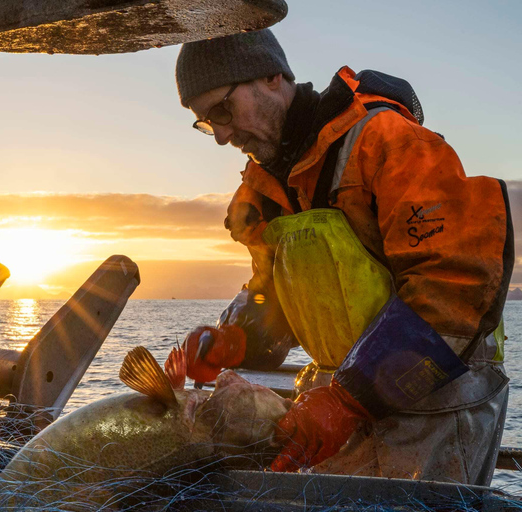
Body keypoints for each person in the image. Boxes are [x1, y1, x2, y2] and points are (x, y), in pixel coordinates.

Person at [174, 28, 512, 485]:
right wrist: (237, 340)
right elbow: (272, 296)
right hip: (336, 405)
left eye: (223, 110)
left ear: (273, 77)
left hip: (436, 406)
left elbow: (453, 285)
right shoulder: (262, 191)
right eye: (207, 123)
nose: (221, 136)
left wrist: (349, 399)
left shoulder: (388, 142)